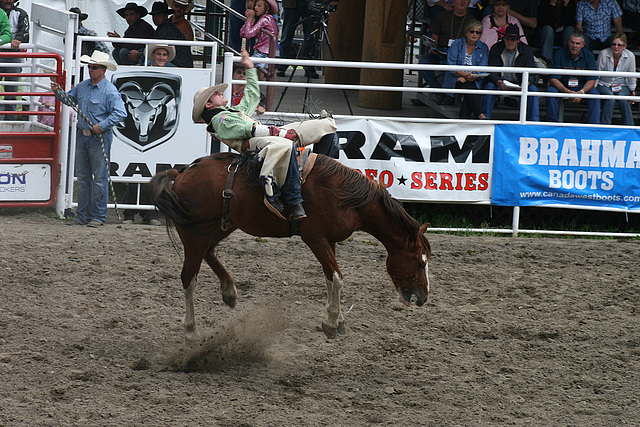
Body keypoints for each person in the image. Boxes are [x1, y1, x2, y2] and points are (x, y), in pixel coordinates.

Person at [192, 48, 337, 220]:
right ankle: (293, 200)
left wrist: (250, 68)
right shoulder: (219, 119)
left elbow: (252, 97)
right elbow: (246, 129)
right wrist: (281, 133)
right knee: (285, 145)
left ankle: (319, 175)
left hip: (265, 135)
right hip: (253, 143)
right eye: (214, 94)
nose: (219, 92)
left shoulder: (231, 112)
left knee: (325, 124)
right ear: (209, 105)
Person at [50, 51, 127, 226]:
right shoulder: (83, 86)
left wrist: (102, 125)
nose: (90, 70)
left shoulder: (109, 91)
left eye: (94, 67)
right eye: (89, 66)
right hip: (83, 136)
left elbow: (121, 113)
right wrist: (57, 92)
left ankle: (98, 217)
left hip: (98, 137)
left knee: (99, 178)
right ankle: (83, 216)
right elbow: (69, 100)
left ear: (103, 70)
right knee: (84, 178)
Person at [419, 0, 475, 105]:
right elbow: (434, 36)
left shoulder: (472, 21)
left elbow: (473, 42)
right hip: (441, 50)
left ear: (469, 3)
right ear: (454, 1)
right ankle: (439, 91)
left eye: (465, 0)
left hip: (459, 54)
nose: (462, 1)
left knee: (445, 65)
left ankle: (449, 96)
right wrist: (433, 46)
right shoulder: (443, 16)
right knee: (423, 64)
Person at [483, 24, 539, 121]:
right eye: (507, 39)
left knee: (533, 89)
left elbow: (532, 74)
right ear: (503, 39)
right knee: (489, 86)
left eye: (513, 39)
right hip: (500, 83)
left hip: (520, 84)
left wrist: (524, 85)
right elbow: (491, 72)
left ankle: (533, 122)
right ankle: (484, 119)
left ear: (518, 40)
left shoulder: (527, 50)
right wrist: (500, 83)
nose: (510, 42)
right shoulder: (496, 48)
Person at [546, 30, 600, 124]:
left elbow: (592, 80)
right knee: (551, 91)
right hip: (563, 85)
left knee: (595, 95)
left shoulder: (588, 55)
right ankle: (552, 124)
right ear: (568, 42)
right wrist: (566, 91)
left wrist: (581, 92)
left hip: (581, 87)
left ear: (583, 44)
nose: (574, 46)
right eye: (572, 42)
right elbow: (553, 79)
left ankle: (593, 126)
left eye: (577, 43)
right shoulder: (559, 54)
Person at [444, 20, 489, 119]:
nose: (474, 34)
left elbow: (483, 67)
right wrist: (463, 75)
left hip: (474, 79)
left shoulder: (483, 47)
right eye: (472, 31)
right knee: (470, 88)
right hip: (455, 78)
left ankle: (464, 122)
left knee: (469, 90)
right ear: (466, 32)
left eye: (478, 32)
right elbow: (450, 65)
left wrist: (471, 75)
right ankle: (480, 115)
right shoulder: (457, 44)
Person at [596, 33, 636, 126]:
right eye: (614, 44)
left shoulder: (630, 56)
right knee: (610, 98)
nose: (616, 47)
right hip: (604, 84)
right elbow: (597, 73)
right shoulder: (604, 53)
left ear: (624, 46)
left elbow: (631, 75)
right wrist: (593, 88)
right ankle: (605, 127)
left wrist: (632, 91)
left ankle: (630, 128)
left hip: (621, 84)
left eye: (619, 45)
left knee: (623, 99)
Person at [0, 0, 29, 121]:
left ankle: (10, 121)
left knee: (12, 92)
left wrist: (18, 39)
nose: (9, 1)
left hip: (13, 56)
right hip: (9, 55)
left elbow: (25, 33)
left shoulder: (21, 13)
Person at [276, 0, 319, 78]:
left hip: (310, 4)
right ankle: (282, 65)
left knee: (310, 36)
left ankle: (308, 66)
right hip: (291, 4)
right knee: (287, 35)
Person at [239, 0, 279, 79]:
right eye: (255, 5)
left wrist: (249, 19)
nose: (255, 7)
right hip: (264, 52)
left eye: (259, 6)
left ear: (266, 8)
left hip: (263, 54)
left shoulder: (265, 19)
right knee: (256, 78)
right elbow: (242, 33)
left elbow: (247, 35)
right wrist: (249, 20)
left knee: (252, 76)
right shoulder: (262, 19)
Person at [149, 1, 193, 68]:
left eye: (159, 15)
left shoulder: (166, 29)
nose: (156, 18)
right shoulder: (166, 27)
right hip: (176, 63)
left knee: (148, 63)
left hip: (179, 65)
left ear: (166, 16)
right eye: (154, 15)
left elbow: (159, 50)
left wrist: (139, 55)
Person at [534, 0, 576, 65]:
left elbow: (570, 23)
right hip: (546, 35)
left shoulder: (570, 4)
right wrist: (552, 5)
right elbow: (546, 22)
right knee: (548, 29)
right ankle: (546, 62)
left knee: (569, 29)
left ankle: (568, 62)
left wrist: (566, 6)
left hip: (562, 36)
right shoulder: (544, 2)